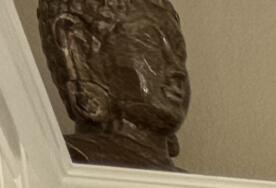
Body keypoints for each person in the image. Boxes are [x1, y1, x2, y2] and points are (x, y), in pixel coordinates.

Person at [40, 0, 189, 172]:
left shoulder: (188, 186)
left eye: (180, 52)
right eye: (148, 41)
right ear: (78, 48)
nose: (177, 69)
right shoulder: (72, 158)